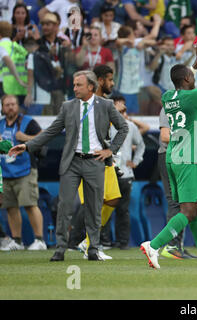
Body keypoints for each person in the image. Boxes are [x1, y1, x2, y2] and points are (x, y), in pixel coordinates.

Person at [8, 70, 129, 261]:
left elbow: (123, 128)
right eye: (74, 84)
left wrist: (110, 150)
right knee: (65, 206)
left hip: (95, 161)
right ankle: (60, 248)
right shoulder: (68, 106)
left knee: (94, 207)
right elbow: (51, 131)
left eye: (78, 85)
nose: (74, 88)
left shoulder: (105, 105)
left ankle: (93, 249)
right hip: (72, 162)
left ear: (90, 86)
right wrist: (28, 146)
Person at [139, 41, 197, 269]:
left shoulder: (168, 97)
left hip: (172, 157)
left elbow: (185, 79)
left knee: (196, 209)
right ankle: (154, 245)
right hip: (189, 159)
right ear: (189, 81)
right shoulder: (193, 97)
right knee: (188, 211)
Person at [75, 65, 123, 260]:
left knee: (112, 199)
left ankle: (87, 241)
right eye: (110, 79)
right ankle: (90, 245)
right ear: (100, 81)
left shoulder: (106, 103)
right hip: (86, 160)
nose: (112, 83)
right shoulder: (86, 103)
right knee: (94, 204)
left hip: (104, 160)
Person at [0, 94, 46, 251]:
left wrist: (25, 137)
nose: (11, 107)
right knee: (10, 207)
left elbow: (43, 138)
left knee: (30, 204)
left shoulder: (28, 122)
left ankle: (39, 240)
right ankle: (17, 242)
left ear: (18, 106)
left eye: (13, 104)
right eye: (7, 105)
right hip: (6, 171)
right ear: (2, 108)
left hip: (25, 169)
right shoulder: (0, 124)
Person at [157, 107, 197, 259]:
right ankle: (171, 245)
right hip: (169, 155)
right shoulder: (169, 107)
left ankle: (177, 245)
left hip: (182, 157)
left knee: (183, 203)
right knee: (174, 202)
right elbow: (165, 136)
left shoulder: (188, 107)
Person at [108, 95, 145, 250]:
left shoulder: (130, 126)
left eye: (123, 108)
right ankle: (104, 241)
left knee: (123, 210)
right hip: (109, 172)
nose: (121, 111)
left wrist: (136, 162)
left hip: (126, 174)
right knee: (106, 208)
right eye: (117, 107)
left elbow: (141, 145)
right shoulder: (104, 125)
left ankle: (123, 242)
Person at [37, 12, 71, 115]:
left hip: (60, 88)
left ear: (56, 26)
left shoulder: (63, 43)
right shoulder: (37, 44)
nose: (44, 27)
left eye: (48, 24)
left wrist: (68, 52)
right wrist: (47, 54)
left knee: (61, 121)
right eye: (43, 25)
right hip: (44, 90)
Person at [0, 21, 28, 105]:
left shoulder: (1, 46)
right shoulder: (19, 47)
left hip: (5, 87)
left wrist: (18, 80)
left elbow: (8, 60)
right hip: (21, 89)